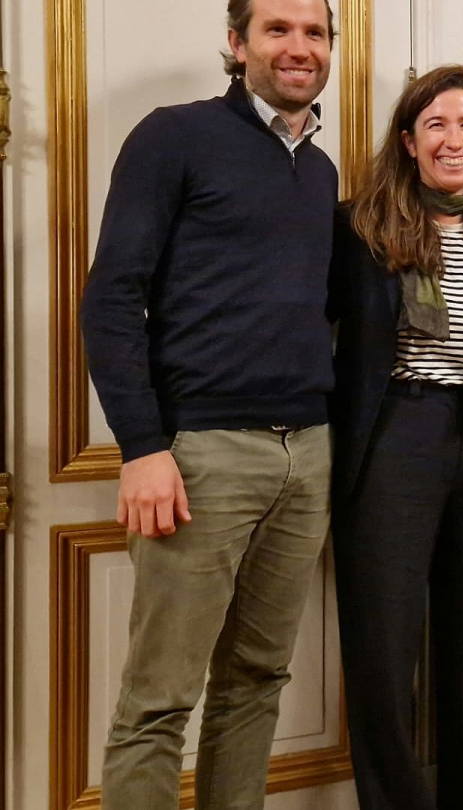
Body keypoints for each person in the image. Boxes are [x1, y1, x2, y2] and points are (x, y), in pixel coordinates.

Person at [78, 0, 337, 807]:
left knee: (258, 678)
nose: (299, 47)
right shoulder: (174, 136)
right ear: (236, 44)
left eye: (315, 33)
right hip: (201, 458)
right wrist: (143, 447)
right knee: (159, 700)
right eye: (278, 30)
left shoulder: (321, 169)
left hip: (309, 456)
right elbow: (112, 297)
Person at [329, 64, 463, 810]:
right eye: (438, 124)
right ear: (409, 141)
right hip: (393, 438)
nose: (455, 139)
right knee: (383, 643)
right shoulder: (359, 230)